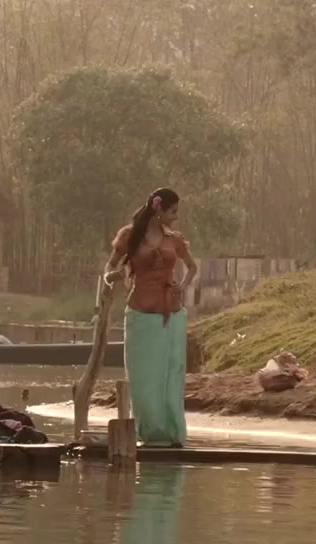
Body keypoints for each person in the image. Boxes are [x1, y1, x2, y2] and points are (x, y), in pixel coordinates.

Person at [103, 187, 199, 448]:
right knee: (144, 379)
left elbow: (192, 267)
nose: (176, 216)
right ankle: (150, 433)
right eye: (173, 211)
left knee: (171, 375)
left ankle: (172, 433)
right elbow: (110, 266)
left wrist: (183, 286)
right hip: (140, 314)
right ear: (158, 210)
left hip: (171, 314)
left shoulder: (174, 239)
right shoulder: (130, 235)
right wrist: (115, 276)